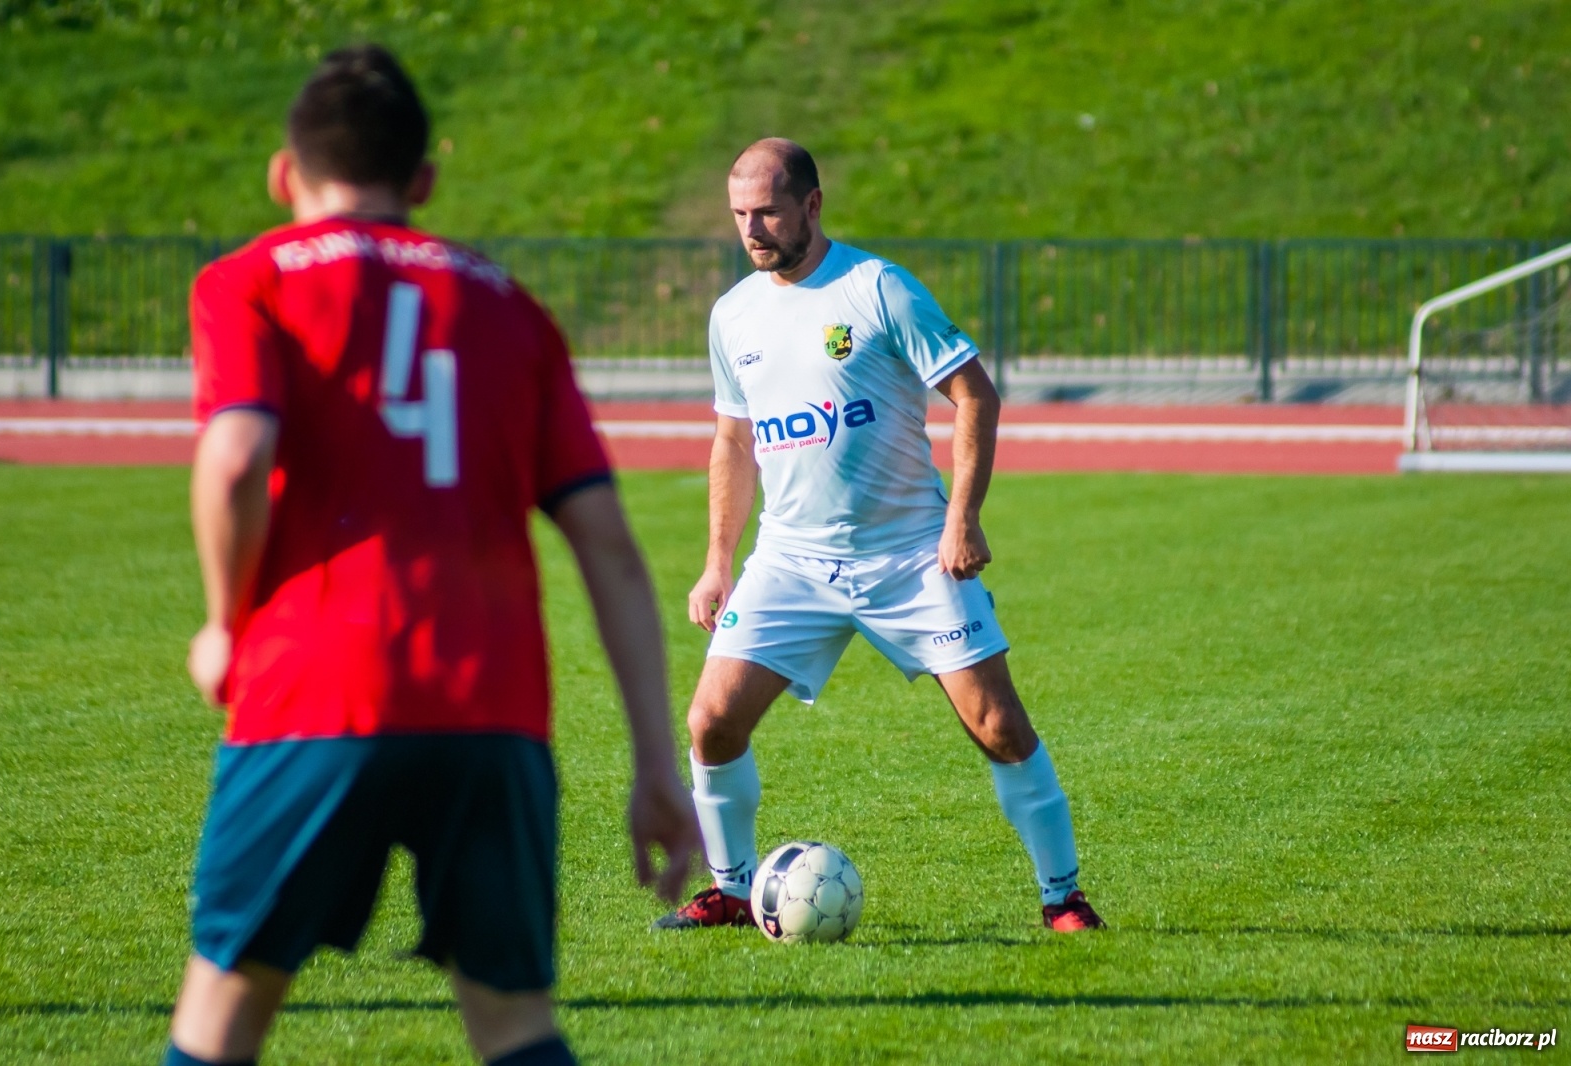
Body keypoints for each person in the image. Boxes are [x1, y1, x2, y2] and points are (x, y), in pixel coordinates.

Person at [167, 45, 699, 1066]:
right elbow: (611, 550)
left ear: (285, 175)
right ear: (423, 182)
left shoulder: (249, 282)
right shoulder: (513, 307)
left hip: (312, 695)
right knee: (513, 1024)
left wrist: (225, 627)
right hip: (491, 713)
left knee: (223, 1016)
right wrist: (651, 766)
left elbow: (235, 457)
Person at [651, 139, 1103, 934]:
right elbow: (731, 440)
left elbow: (975, 395)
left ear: (812, 206)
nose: (751, 230)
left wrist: (961, 517)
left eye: (767, 212)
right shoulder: (734, 315)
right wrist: (717, 563)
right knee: (711, 721)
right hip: (791, 559)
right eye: (738, 215)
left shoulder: (876, 288)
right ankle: (729, 888)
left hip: (909, 554)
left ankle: (1062, 897)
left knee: (998, 725)